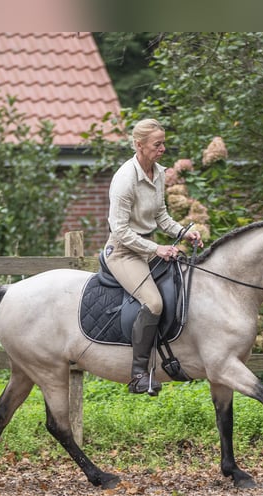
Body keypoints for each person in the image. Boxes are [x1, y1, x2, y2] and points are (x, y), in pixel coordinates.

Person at [104, 118, 203, 395]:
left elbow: (160, 215)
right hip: (123, 252)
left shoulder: (158, 173)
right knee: (154, 303)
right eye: (157, 144)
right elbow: (120, 230)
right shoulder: (125, 179)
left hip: (146, 249)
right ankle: (137, 375)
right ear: (139, 145)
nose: (163, 149)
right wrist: (156, 249)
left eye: (163, 143)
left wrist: (184, 232)